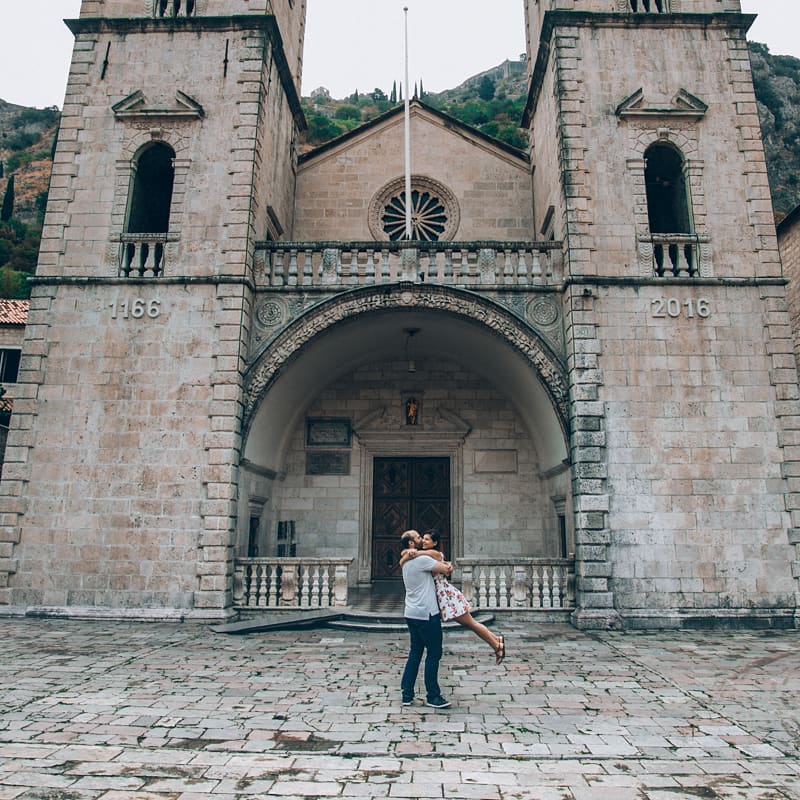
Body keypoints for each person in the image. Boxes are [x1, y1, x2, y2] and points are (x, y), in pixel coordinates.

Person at [401, 530, 506, 664]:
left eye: (427, 539)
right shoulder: (425, 557)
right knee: (471, 623)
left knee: (471, 623)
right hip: (442, 597)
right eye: (423, 538)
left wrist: (412, 553)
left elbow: (441, 564)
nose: (424, 541)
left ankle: (497, 645)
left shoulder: (434, 554)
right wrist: (407, 555)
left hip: (447, 597)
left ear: (435, 543)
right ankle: (497, 641)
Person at [399, 529, 454, 709]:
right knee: (434, 653)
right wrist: (448, 565)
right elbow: (445, 568)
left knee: (415, 653)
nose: (421, 539)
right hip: (426, 614)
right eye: (417, 537)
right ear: (411, 544)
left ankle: (407, 694)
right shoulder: (421, 560)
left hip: (411, 613)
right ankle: (433, 695)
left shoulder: (406, 563)